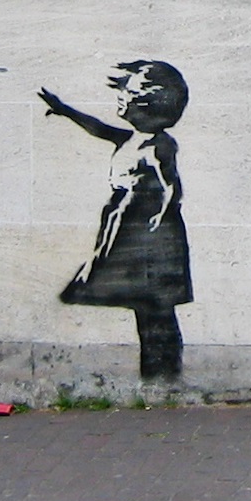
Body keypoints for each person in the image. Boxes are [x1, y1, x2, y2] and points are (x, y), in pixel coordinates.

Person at [38, 60, 192, 381]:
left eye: (130, 91)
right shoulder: (131, 138)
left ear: (149, 102)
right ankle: (158, 371)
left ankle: (163, 371)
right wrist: (65, 110)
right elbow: (98, 128)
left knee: (155, 307)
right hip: (128, 223)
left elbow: (170, 187)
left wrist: (157, 219)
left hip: (149, 234)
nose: (121, 96)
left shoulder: (157, 144)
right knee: (146, 306)